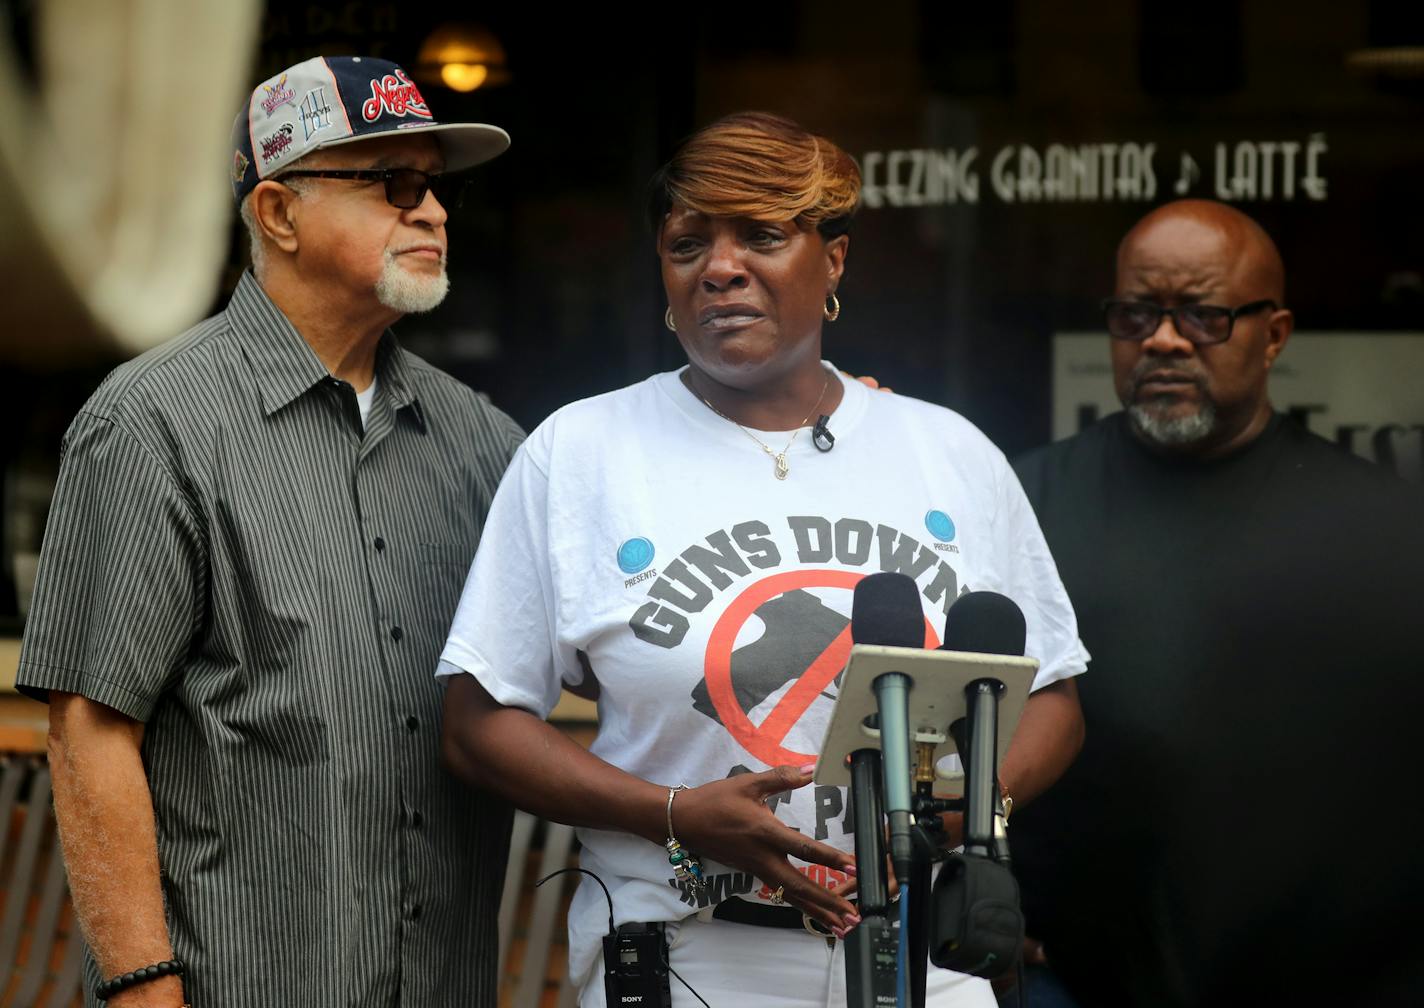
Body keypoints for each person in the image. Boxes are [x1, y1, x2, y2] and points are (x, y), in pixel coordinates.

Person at [437, 111, 1089, 1008]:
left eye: (763, 235)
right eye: (687, 243)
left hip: (923, 959)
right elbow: (479, 724)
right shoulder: (582, 453)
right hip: (688, 955)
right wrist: (674, 815)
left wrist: (966, 809)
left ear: (835, 261)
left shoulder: (948, 452)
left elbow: (1050, 695)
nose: (720, 267)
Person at [17, 56, 523, 1008]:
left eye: (436, 187)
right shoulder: (153, 424)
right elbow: (90, 729)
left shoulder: (481, 441)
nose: (433, 213)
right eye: (393, 184)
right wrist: (139, 988)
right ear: (280, 214)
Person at [1009, 199, 1424, 1006]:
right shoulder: (1023, 505)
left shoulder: (1386, 530)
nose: (1163, 340)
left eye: (1203, 315)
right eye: (1136, 314)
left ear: (1274, 334)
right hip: (1074, 982)